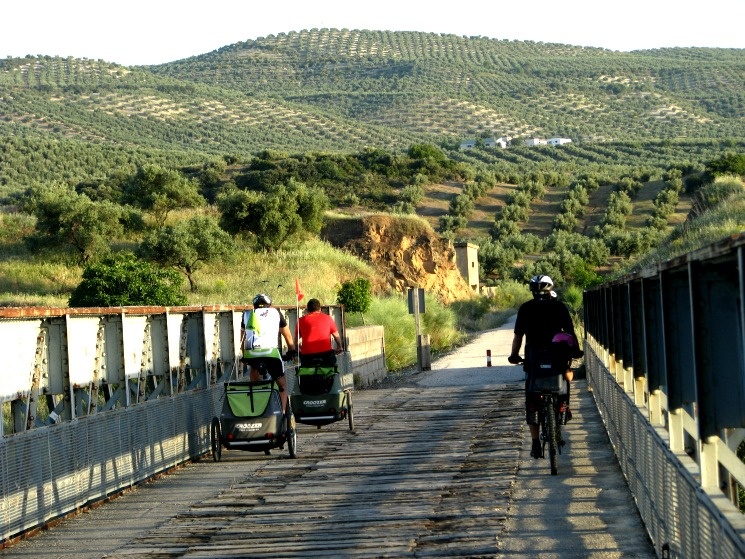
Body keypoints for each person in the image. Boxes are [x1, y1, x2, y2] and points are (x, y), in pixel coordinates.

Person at [508, 275, 582, 459]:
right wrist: (576, 351)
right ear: (550, 289)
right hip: (558, 356)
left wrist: (514, 355)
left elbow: (518, 336)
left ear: (532, 291)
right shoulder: (559, 306)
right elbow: (570, 333)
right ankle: (565, 407)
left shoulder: (525, 308)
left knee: (532, 399)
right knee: (566, 376)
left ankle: (534, 444)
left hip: (534, 357)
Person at [241, 293, 296, 413]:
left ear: (254, 306)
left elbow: (243, 339)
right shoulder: (275, 313)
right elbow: (287, 336)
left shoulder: (247, 314)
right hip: (271, 353)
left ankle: (255, 410)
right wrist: (292, 350)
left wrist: (245, 356)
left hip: (252, 354)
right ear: (269, 305)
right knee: (282, 385)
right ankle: (282, 414)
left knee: (254, 381)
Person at [297, 298, 344, 367]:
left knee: (306, 373)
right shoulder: (328, 318)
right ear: (320, 309)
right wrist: (339, 347)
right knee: (330, 371)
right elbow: (336, 335)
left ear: (307, 310)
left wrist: (298, 350)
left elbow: (296, 339)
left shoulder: (300, 321)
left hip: (308, 357)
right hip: (326, 355)